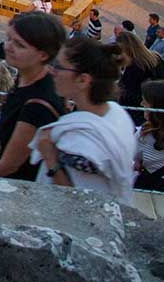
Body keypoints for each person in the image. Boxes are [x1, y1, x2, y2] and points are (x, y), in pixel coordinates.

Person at [32, 36, 136, 200]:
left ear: (83, 80)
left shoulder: (82, 145)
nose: (52, 71)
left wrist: (50, 157)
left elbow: (78, 201)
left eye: (58, 67)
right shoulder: (117, 112)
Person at [0, 11, 66, 180]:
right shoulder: (27, 75)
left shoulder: (38, 104)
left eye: (19, 44)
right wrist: (5, 110)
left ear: (43, 55)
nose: (8, 46)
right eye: (9, 38)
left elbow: (9, 164)